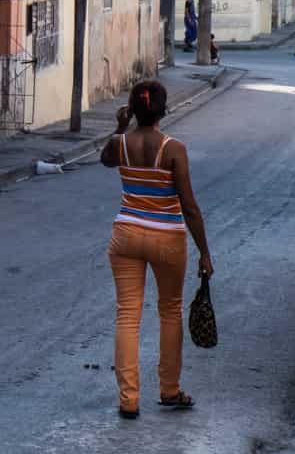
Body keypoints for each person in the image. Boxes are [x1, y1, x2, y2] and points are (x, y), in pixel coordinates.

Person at [100, 80, 213, 419]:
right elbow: (189, 206)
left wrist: (120, 126)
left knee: (127, 315)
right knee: (170, 310)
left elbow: (105, 160)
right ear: (164, 110)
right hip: (168, 239)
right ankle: (169, 390)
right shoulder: (173, 148)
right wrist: (205, 252)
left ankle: (128, 400)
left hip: (125, 236)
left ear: (133, 109)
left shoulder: (120, 143)